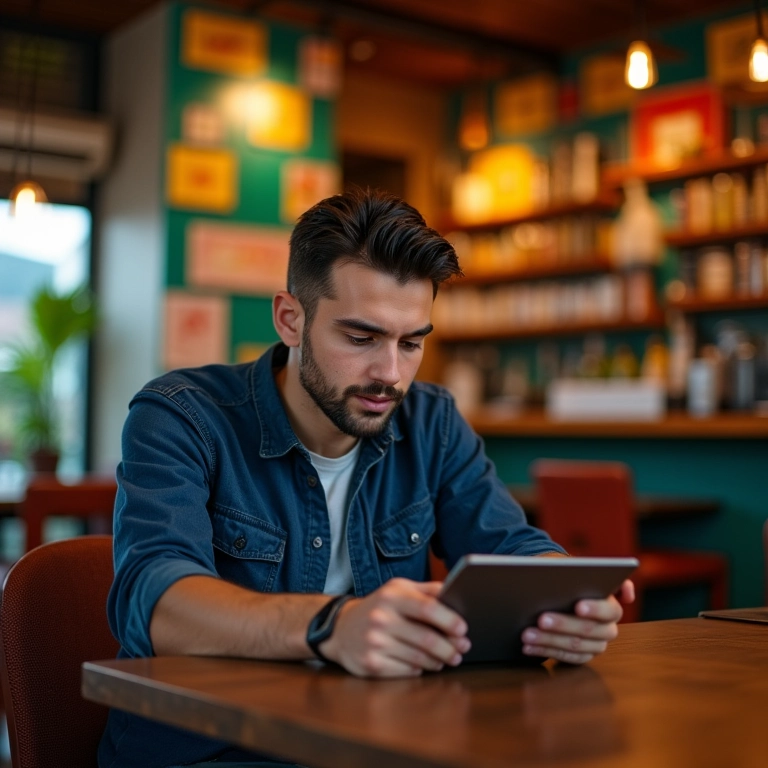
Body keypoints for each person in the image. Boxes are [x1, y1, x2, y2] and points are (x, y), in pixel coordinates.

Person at [100, 188, 633, 768]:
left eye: (412, 342)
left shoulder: (431, 422)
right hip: (212, 750)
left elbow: (510, 545)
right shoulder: (181, 416)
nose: (390, 374)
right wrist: (332, 626)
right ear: (290, 319)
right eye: (361, 338)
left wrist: (566, 600)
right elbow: (156, 602)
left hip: (376, 742)